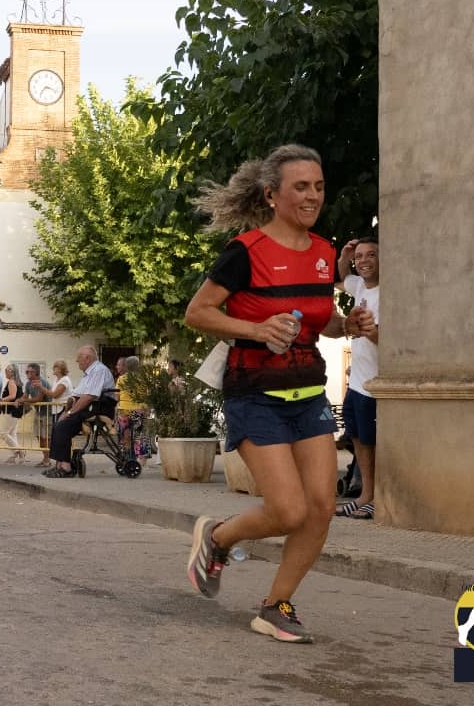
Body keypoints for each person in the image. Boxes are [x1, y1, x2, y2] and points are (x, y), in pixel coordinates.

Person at [183, 144, 361, 643]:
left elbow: (318, 322)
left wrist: (350, 325)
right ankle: (217, 537)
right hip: (254, 394)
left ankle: (276, 606)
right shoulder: (246, 251)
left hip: (308, 393)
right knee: (287, 512)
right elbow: (197, 313)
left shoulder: (324, 253)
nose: (312, 196)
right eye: (300, 187)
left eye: (318, 187)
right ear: (271, 195)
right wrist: (258, 329)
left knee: (321, 507)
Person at [334, 237, 379, 520]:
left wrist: (369, 331)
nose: (363, 260)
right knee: (358, 438)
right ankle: (366, 495)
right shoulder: (360, 286)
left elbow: (391, 340)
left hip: (375, 383)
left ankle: (380, 497)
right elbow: (341, 278)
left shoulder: (389, 292)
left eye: (370, 255)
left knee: (374, 442)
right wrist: (343, 257)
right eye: (359, 256)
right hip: (356, 383)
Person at [45, 345, 116, 478]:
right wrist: (67, 411)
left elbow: (89, 396)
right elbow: (76, 395)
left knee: (62, 427)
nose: (77, 361)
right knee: (57, 426)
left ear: (87, 358)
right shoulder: (88, 373)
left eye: (79, 358)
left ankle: (66, 468)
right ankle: (59, 464)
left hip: (100, 408)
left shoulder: (98, 370)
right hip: (89, 407)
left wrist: (69, 413)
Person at [116, 355, 149, 462]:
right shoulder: (143, 379)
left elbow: (117, 397)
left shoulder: (121, 379)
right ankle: (141, 458)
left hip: (124, 410)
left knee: (125, 434)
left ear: (127, 366)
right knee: (139, 435)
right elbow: (145, 395)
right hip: (139, 410)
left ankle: (127, 457)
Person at [42, 360, 73, 467]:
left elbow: (55, 394)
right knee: (56, 437)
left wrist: (41, 388)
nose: (53, 369)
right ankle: (58, 463)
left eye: (55, 367)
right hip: (57, 409)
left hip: (63, 410)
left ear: (59, 369)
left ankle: (62, 463)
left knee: (60, 437)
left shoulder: (65, 380)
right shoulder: (57, 380)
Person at [20, 363, 53, 464]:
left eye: (29, 372)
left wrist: (24, 401)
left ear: (36, 372)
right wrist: (19, 400)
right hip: (38, 413)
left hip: (47, 413)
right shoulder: (28, 383)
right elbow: (25, 396)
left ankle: (47, 459)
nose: (27, 374)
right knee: (39, 436)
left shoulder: (42, 382)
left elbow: (39, 398)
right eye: (26, 372)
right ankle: (45, 458)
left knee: (46, 437)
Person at [0, 364, 25, 463]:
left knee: (3, 433)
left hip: (10, 411)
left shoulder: (11, 381)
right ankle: (15, 455)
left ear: (11, 372)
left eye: (6, 371)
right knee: (12, 433)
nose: (5, 372)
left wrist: (2, 400)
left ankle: (20, 451)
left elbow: (12, 396)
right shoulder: (18, 382)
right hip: (16, 411)